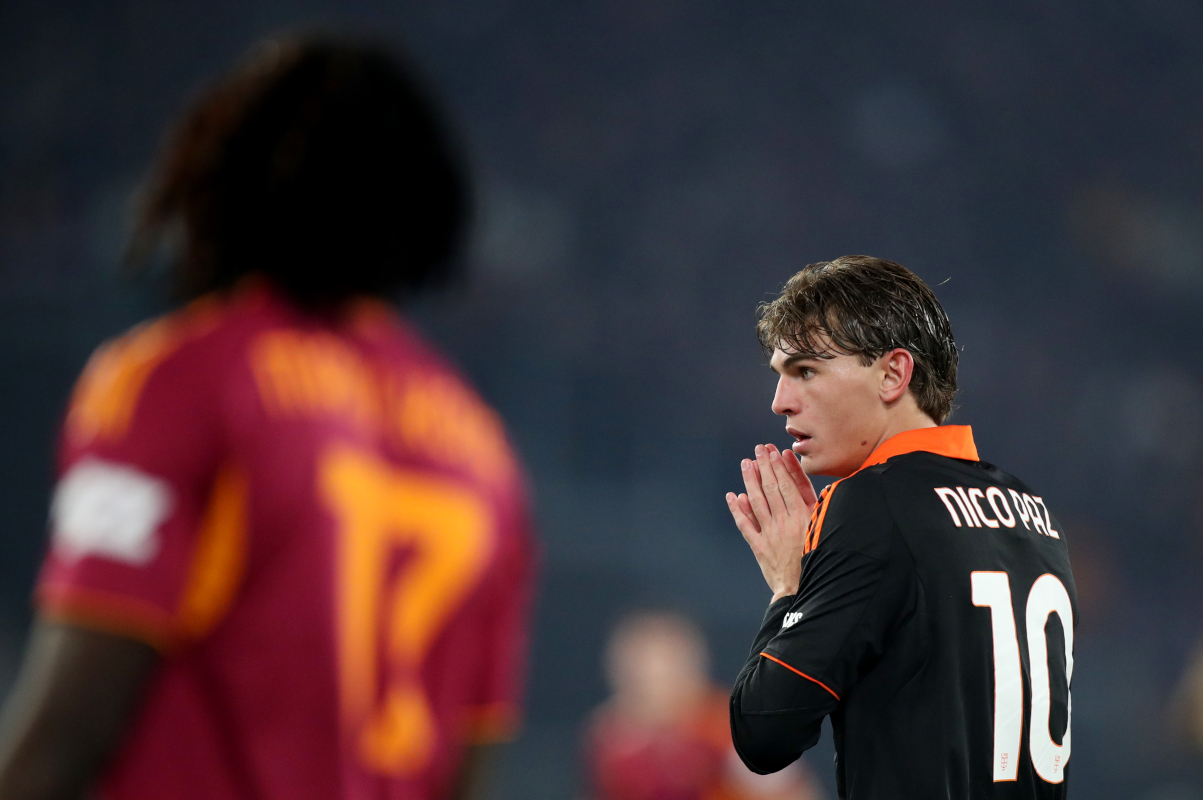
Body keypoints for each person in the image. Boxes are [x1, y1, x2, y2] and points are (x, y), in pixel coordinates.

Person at [0, 36, 536, 800]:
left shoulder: (173, 379)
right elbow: (465, 769)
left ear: (220, 177)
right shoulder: (484, 454)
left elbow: (71, 730)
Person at [725, 256, 1076, 798]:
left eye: (806, 371)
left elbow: (764, 732)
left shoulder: (873, 502)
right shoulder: (1030, 510)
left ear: (893, 373)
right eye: (781, 375)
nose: (780, 401)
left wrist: (789, 586)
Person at [584, 611, 822, 800]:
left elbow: (794, 794)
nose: (655, 679)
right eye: (643, 668)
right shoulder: (609, 735)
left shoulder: (731, 727)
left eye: (666, 665)